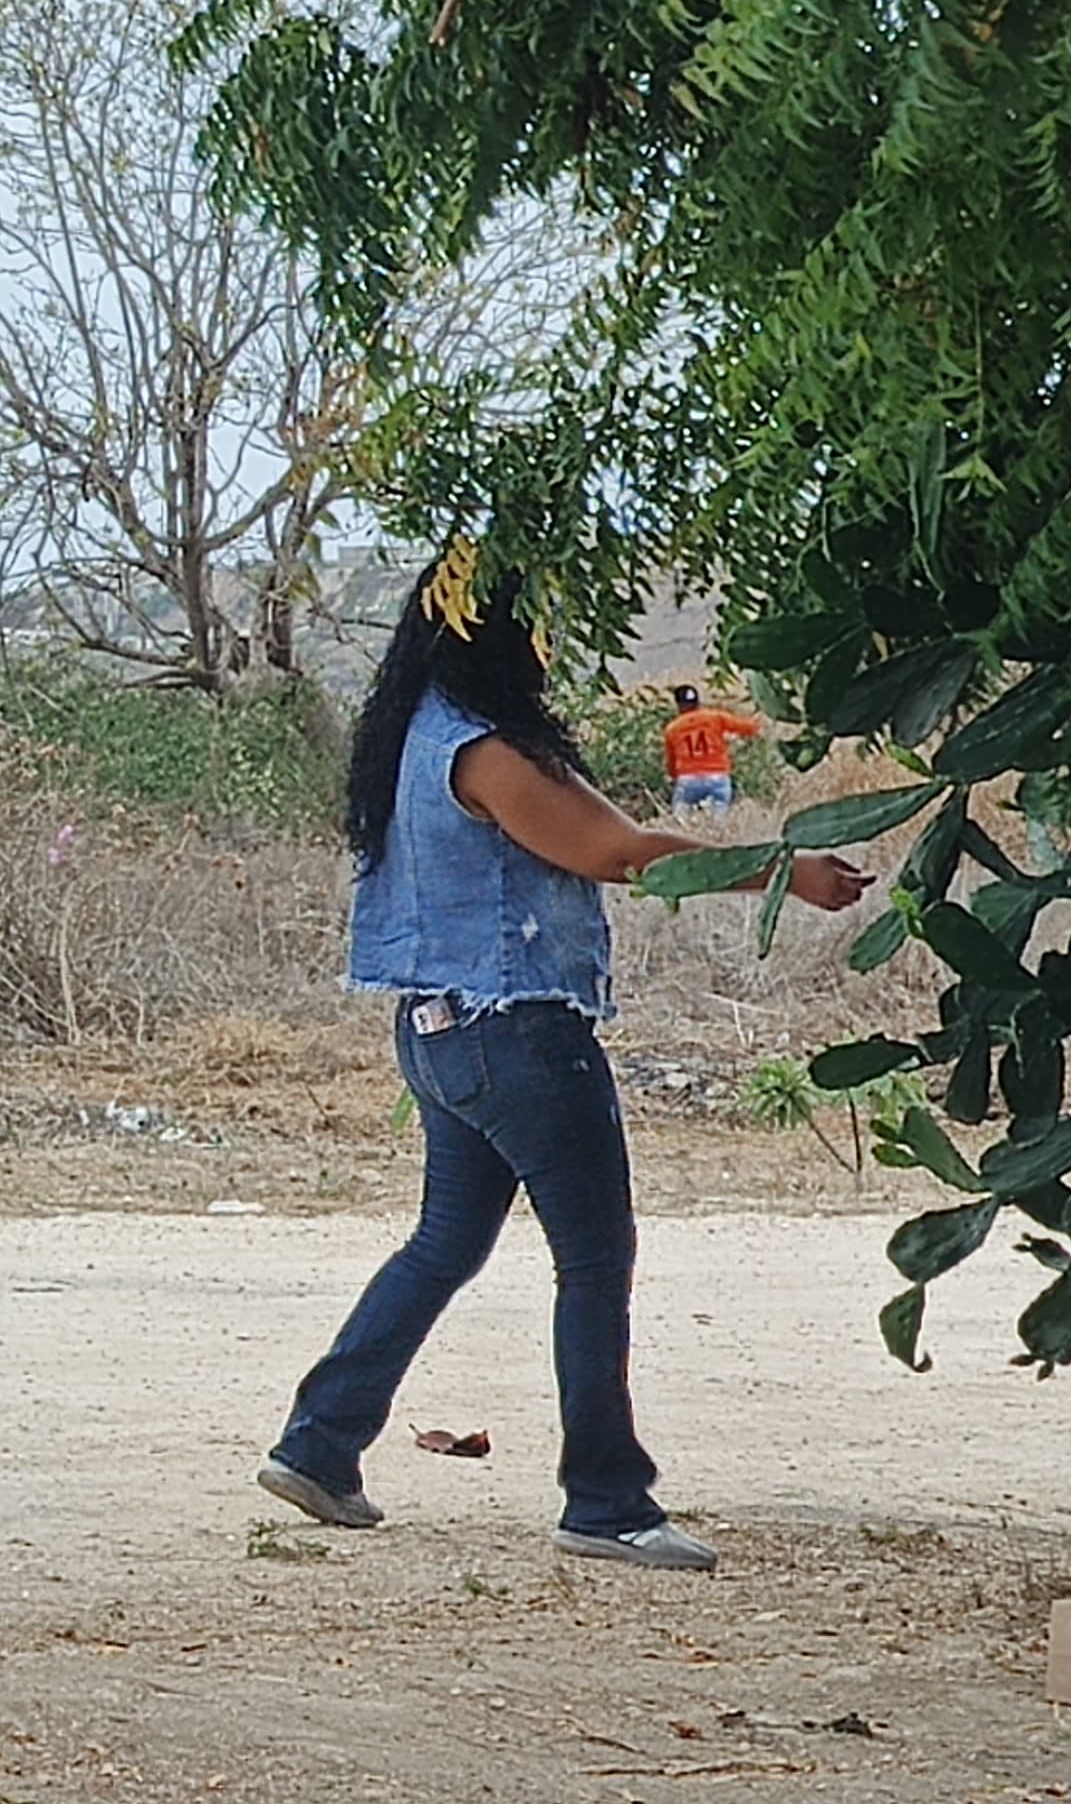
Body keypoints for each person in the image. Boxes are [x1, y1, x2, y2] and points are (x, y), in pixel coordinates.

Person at [257, 558, 865, 1570]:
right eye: (539, 630)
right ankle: (606, 1502)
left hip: (438, 1031)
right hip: (520, 1035)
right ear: (500, 638)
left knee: (444, 1245)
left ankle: (319, 1445)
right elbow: (614, 853)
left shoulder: (416, 735)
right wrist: (780, 873)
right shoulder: (486, 752)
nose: (550, 650)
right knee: (593, 1261)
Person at [660, 684, 762, 814]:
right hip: (717, 776)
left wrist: (675, 777)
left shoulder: (672, 729)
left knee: (681, 821)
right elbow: (749, 728)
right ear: (698, 702)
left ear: (678, 705)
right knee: (718, 821)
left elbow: (671, 764)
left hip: (688, 779)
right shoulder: (715, 718)